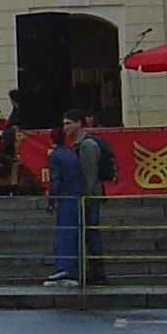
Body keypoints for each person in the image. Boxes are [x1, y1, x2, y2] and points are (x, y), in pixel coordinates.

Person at [65, 111, 110, 284]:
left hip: (89, 197)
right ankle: (91, 269)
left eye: (68, 123)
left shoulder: (87, 145)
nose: (66, 127)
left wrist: (86, 198)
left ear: (79, 123)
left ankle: (97, 271)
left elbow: (89, 175)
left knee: (92, 232)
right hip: (84, 196)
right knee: (87, 233)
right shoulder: (78, 144)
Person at [45, 126, 90, 286]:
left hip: (65, 198)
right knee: (72, 233)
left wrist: (51, 201)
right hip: (76, 197)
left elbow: (55, 180)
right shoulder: (70, 155)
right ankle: (72, 267)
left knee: (63, 232)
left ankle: (64, 267)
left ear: (51, 140)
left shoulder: (55, 156)